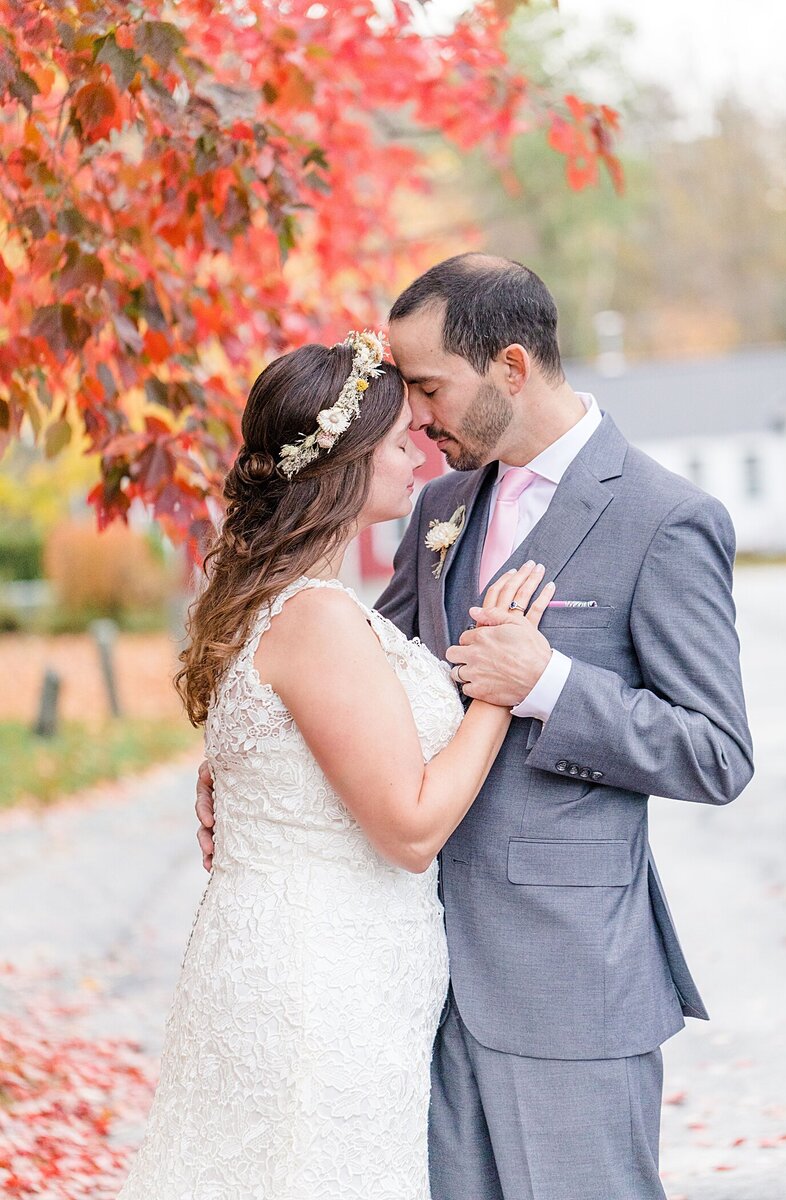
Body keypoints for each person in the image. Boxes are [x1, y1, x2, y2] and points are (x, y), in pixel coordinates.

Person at [196, 253, 754, 1200]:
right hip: (409, 976)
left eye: (426, 386)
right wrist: (247, 764)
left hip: (566, 980)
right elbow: (365, 666)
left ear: (508, 366)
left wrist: (551, 685)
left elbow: (717, 752)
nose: (412, 415)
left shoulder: (665, 519)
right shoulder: (443, 505)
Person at [119, 330, 550, 1200]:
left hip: (316, 958)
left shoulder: (290, 600)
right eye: (399, 441)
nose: (421, 454)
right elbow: (411, 826)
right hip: (322, 981)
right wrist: (504, 692)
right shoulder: (315, 615)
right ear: (346, 461)